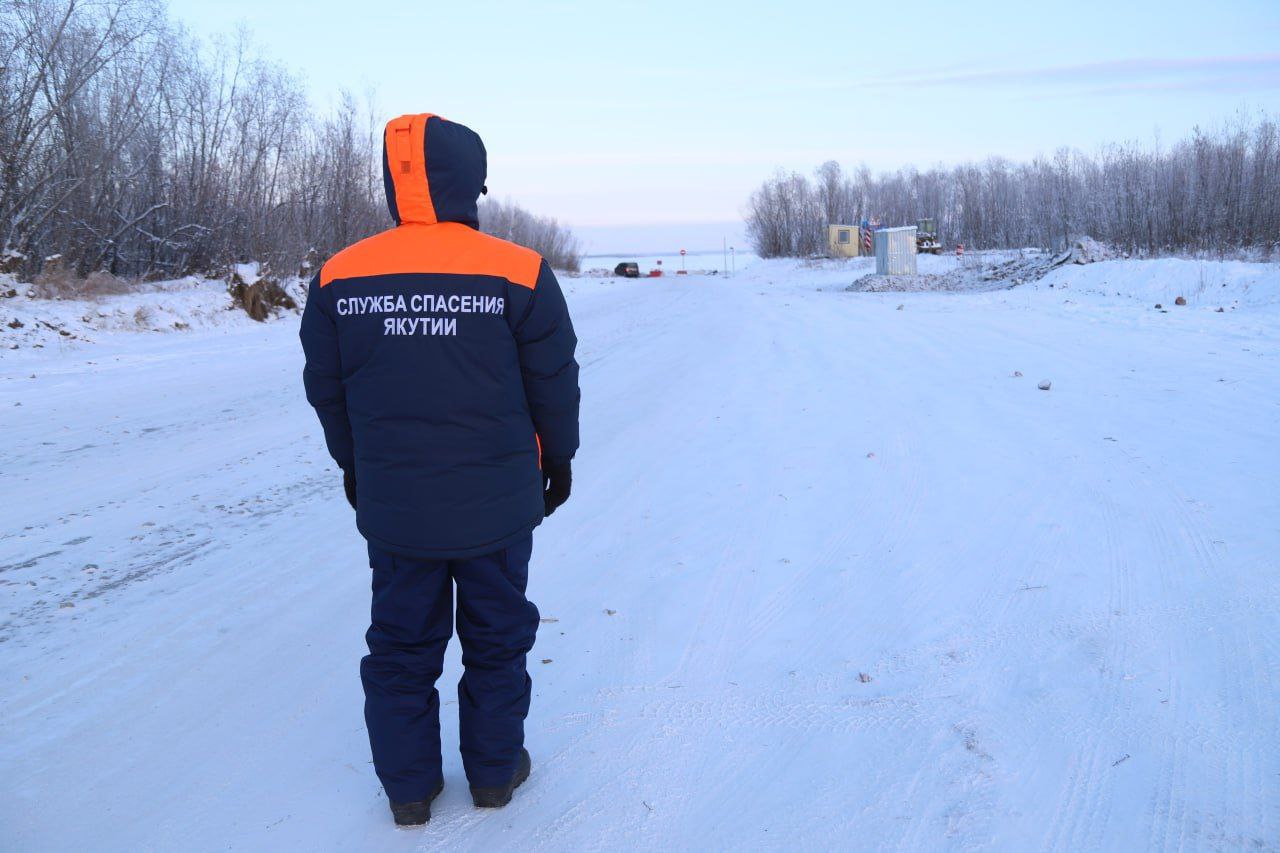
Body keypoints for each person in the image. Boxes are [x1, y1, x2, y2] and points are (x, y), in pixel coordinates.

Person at [300, 113, 580, 827]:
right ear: (469, 184)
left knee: (400, 646)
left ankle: (409, 790)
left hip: (398, 511)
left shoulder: (340, 276)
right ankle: (492, 774)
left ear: (396, 184)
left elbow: (329, 390)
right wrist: (561, 457)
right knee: (496, 638)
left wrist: (355, 467)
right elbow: (553, 379)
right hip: (498, 506)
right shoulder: (518, 271)